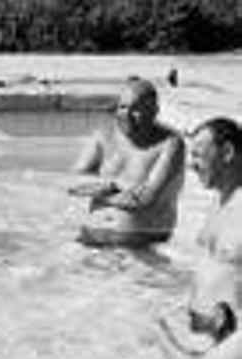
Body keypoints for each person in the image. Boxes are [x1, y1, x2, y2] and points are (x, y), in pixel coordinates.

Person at [155, 117, 242, 359]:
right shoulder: (223, 196)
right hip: (208, 341)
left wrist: (157, 332)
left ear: (227, 153)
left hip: (226, 357)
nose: (190, 164)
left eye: (198, 155)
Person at [68, 78, 185, 248]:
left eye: (137, 109)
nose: (127, 115)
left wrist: (104, 191)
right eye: (123, 107)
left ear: (155, 111)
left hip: (143, 244)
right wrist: (122, 188)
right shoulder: (103, 137)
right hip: (91, 237)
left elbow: (145, 199)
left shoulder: (170, 144)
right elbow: (71, 183)